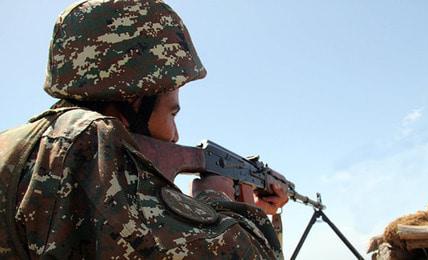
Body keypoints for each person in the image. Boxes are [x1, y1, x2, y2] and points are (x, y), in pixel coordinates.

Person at [0, 0, 288, 259]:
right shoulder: (90, 144)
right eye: (172, 113)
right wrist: (218, 199)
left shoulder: (20, 145)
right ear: (134, 101)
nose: (175, 135)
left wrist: (256, 210)